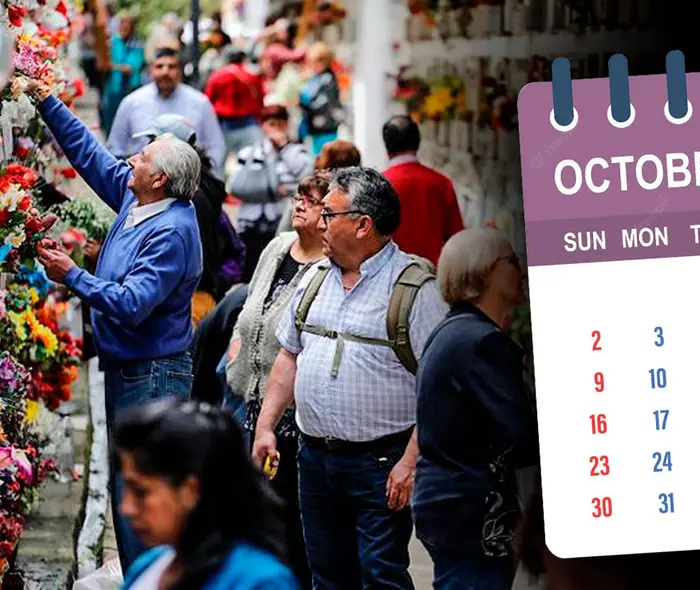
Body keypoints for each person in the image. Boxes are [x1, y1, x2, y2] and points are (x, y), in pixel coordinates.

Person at [27, 80, 204, 572]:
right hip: (129, 367)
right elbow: (91, 156)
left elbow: (131, 303)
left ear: (161, 179)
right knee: (127, 487)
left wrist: (72, 274)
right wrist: (45, 101)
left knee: (144, 492)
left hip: (152, 374)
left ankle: (152, 580)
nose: (132, 161)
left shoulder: (170, 230)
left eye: (143, 158)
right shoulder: (141, 201)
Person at [251, 167, 450, 589]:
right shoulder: (314, 279)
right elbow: (289, 354)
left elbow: (441, 390)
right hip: (315, 459)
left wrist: (410, 463)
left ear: (363, 225)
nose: (319, 223)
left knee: (380, 575)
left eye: (329, 214)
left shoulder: (415, 290)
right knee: (327, 574)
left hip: (382, 464)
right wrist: (266, 425)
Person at [412, 228, 539, 589]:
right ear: (483, 271)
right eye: (512, 262)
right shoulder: (482, 342)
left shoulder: (453, 330)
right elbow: (522, 437)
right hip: (473, 510)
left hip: (446, 502)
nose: (522, 272)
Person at [225, 171, 331, 587]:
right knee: (249, 516)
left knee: (288, 523)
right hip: (249, 405)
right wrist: (236, 349)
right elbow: (251, 306)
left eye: (312, 199)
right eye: (299, 196)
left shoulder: (327, 270)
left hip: (292, 419)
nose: (299, 203)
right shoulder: (276, 247)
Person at [115, 399, 299, 589]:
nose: (126, 508)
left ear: (190, 490)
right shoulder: (150, 565)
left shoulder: (260, 582)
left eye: (141, 492)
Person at [132, 113, 246, 323]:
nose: (142, 153)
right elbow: (235, 248)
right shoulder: (203, 187)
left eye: (152, 143)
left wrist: (213, 285)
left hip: (187, 305)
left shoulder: (189, 196)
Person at [106, 45, 227, 174]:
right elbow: (115, 148)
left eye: (171, 66)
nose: (165, 72)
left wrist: (207, 181)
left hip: (190, 185)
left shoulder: (200, 102)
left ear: (180, 70)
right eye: (159, 66)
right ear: (151, 70)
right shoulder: (131, 102)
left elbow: (216, 146)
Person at [228, 104, 314, 283]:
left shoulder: (297, 152)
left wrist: (284, 147)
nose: (276, 129)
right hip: (251, 224)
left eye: (280, 124)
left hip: (282, 222)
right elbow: (236, 186)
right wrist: (273, 191)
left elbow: (307, 177)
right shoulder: (250, 153)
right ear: (263, 126)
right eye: (271, 124)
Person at [381, 115, 465, 265]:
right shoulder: (441, 183)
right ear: (418, 143)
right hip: (432, 276)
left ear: (387, 147)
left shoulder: (378, 184)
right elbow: (457, 241)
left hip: (389, 277)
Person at [275, 139, 361, 234]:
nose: (317, 158)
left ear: (332, 163)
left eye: (321, 156)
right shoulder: (358, 194)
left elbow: (283, 230)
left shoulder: (314, 190)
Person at [204, 47, 266, 158]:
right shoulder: (251, 75)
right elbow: (260, 98)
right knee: (252, 161)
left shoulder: (218, 75)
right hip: (249, 123)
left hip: (223, 125)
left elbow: (208, 100)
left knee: (218, 162)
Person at [100, 11, 144, 138]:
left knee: (129, 120)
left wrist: (113, 66)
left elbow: (130, 68)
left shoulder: (136, 44)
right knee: (110, 119)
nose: (124, 27)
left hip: (130, 88)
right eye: (122, 23)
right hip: (113, 88)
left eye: (127, 24)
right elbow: (103, 63)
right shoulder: (113, 42)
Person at [298, 42, 344, 156]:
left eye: (315, 61)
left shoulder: (327, 79)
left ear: (324, 61)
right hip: (314, 129)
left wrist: (302, 102)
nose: (312, 65)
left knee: (324, 161)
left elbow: (322, 103)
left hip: (325, 129)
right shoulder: (316, 78)